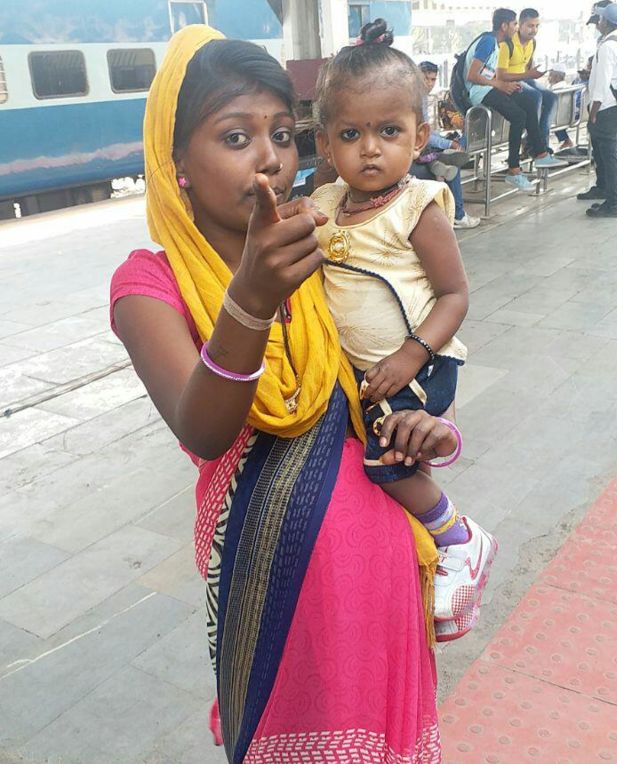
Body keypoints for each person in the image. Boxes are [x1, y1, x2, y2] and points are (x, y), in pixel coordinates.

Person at [110, 24, 457, 762]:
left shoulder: (319, 242)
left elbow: (375, 377)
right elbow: (204, 428)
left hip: (382, 568)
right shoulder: (149, 283)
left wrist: (427, 428)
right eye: (236, 137)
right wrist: (251, 300)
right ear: (176, 161)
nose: (270, 158)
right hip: (273, 584)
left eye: (282, 134)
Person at [313, 18, 498, 642]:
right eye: (351, 134)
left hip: (418, 365)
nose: (370, 149)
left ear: (419, 136)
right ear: (325, 144)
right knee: (376, 457)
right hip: (367, 375)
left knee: (387, 465)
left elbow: (455, 294)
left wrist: (412, 355)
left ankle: (459, 539)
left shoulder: (417, 206)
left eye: (388, 131)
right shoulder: (328, 204)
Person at [464, 8, 567, 191]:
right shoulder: (488, 42)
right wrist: (499, 84)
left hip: (490, 86)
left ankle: (541, 153)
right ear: (504, 26)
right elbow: (472, 75)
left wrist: (505, 85)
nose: (516, 28)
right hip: (481, 91)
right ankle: (514, 169)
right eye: (514, 24)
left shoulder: (496, 43)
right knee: (519, 116)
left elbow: (489, 73)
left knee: (529, 101)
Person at [414, 60, 481, 229]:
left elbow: (426, 131)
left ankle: (439, 163)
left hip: (422, 142)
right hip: (416, 145)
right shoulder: (414, 99)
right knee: (453, 161)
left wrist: (445, 140)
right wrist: (448, 143)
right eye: (426, 78)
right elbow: (422, 134)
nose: (429, 84)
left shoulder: (421, 97)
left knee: (453, 155)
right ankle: (458, 215)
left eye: (433, 79)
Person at [584, 3, 617, 217]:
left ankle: (613, 205)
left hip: (606, 108)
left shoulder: (608, 46)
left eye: (600, 19)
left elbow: (601, 85)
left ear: (606, 22)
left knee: (610, 157)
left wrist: (593, 112)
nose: (598, 22)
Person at [497, 8, 558, 153]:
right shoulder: (508, 43)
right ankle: (535, 146)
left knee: (551, 97)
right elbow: (501, 76)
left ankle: (540, 142)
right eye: (530, 26)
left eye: (537, 26)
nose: (534, 30)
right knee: (535, 96)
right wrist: (528, 74)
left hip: (525, 79)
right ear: (520, 25)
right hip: (509, 82)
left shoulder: (532, 43)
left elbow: (527, 67)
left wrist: (532, 73)